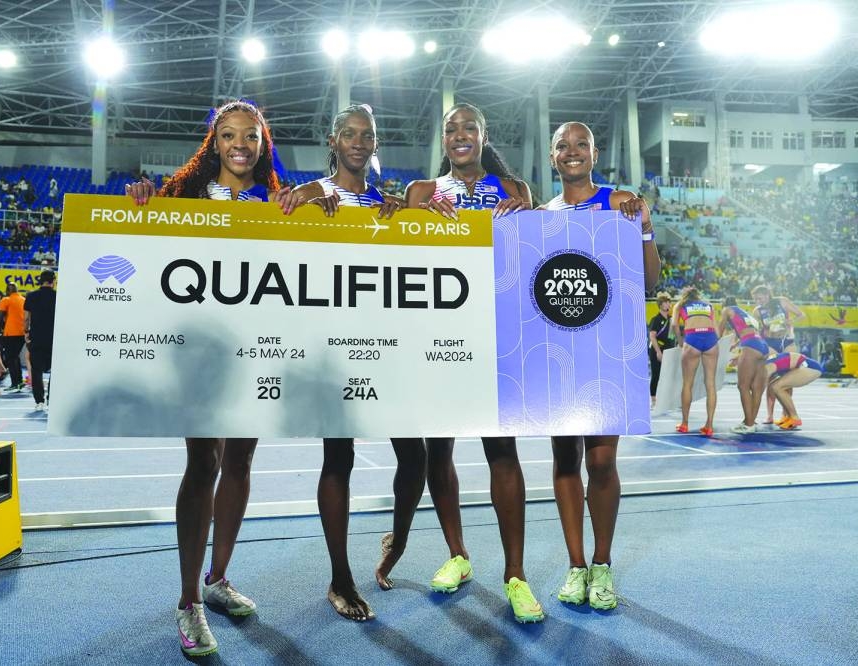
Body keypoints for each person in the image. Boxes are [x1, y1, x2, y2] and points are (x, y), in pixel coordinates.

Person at [127, 100, 287, 656]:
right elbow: (144, 248)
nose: (240, 145)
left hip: (259, 342)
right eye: (228, 135)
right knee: (204, 461)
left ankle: (218, 580)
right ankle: (188, 600)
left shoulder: (277, 202)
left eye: (250, 136)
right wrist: (141, 203)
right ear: (213, 143)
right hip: (201, 349)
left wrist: (314, 204)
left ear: (263, 143)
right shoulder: (184, 198)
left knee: (241, 458)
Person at [391, 102, 543, 623]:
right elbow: (400, 260)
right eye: (451, 129)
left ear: (483, 135)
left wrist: (526, 221)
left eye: (469, 128)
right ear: (444, 139)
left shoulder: (515, 190)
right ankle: (457, 554)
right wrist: (418, 220)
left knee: (502, 449)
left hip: (496, 328)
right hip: (439, 333)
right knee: (440, 449)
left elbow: (531, 255)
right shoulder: (420, 192)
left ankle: (516, 575)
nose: (460, 135)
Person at [281, 104, 421, 623]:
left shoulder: (386, 204)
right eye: (350, 134)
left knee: (416, 456)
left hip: (386, 342)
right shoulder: (311, 195)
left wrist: (407, 219)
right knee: (338, 457)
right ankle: (340, 578)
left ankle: (397, 540)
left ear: (375, 145)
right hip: (331, 344)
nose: (359, 143)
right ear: (333, 140)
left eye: (368, 136)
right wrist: (302, 208)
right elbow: (277, 240)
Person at [542, 121, 661, 612]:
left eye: (581, 144)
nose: (572, 152)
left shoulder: (621, 204)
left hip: (608, 350)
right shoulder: (540, 216)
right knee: (565, 460)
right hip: (558, 352)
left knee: (602, 462)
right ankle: (576, 565)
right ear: (552, 156)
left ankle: (602, 562)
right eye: (562, 146)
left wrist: (644, 227)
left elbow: (649, 282)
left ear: (595, 153)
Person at [751, 285, 806, 424]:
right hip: (770, 343)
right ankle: (769, 415)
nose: (758, 301)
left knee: (788, 379)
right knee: (771, 378)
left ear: (767, 295)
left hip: (787, 341)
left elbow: (801, 315)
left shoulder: (782, 301)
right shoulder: (757, 312)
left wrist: (791, 322)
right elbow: (756, 331)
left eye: (760, 298)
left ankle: (786, 413)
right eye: (756, 299)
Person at [670, 286, 719, 436]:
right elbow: (716, 330)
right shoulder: (708, 306)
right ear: (698, 296)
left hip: (692, 339)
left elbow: (674, 324)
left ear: (684, 295)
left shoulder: (680, 305)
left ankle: (684, 424)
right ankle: (709, 425)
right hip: (711, 340)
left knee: (687, 384)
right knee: (711, 384)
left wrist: (680, 341)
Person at [718, 296, 770, 433]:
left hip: (751, 345)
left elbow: (718, 333)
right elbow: (749, 331)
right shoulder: (745, 313)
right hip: (763, 346)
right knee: (756, 388)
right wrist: (737, 345)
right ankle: (750, 422)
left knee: (743, 386)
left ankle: (748, 424)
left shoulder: (726, 310)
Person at [757, 352, 824, 430]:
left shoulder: (767, 367)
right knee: (774, 387)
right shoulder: (764, 365)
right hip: (803, 366)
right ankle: (788, 417)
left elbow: (758, 391)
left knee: (777, 387)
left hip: (810, 367)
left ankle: (795, 418)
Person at [24, 270, 57, 411]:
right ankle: (52, 400)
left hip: (36, 337)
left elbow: (26, 318)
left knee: (36, 371)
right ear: (53, 281)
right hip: (54, 337)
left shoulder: (31, 296)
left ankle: (39, 401)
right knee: (55, 370)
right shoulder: (58, 296)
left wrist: (26, 332)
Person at [648, 292, 675, 408]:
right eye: (665, 302)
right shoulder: (656, 319)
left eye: (669, 302)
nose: (668, 304)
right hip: (656, 350)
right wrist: (658, 352)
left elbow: (673, 336)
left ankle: (667, 399)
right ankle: (654, 400)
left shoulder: (672, 319)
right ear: (660, 305)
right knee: (656, 375)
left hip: (669, 350)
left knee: (669, 375)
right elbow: (652, 336)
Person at [0, 283, 27, 392]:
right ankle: (19, 381)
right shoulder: (24, 300)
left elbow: (0, 316)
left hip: (10, 333)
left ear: (7, 290)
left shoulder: (6, 300)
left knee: (10, 358)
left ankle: (15, 383)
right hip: (22, 332)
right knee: (15, 357)